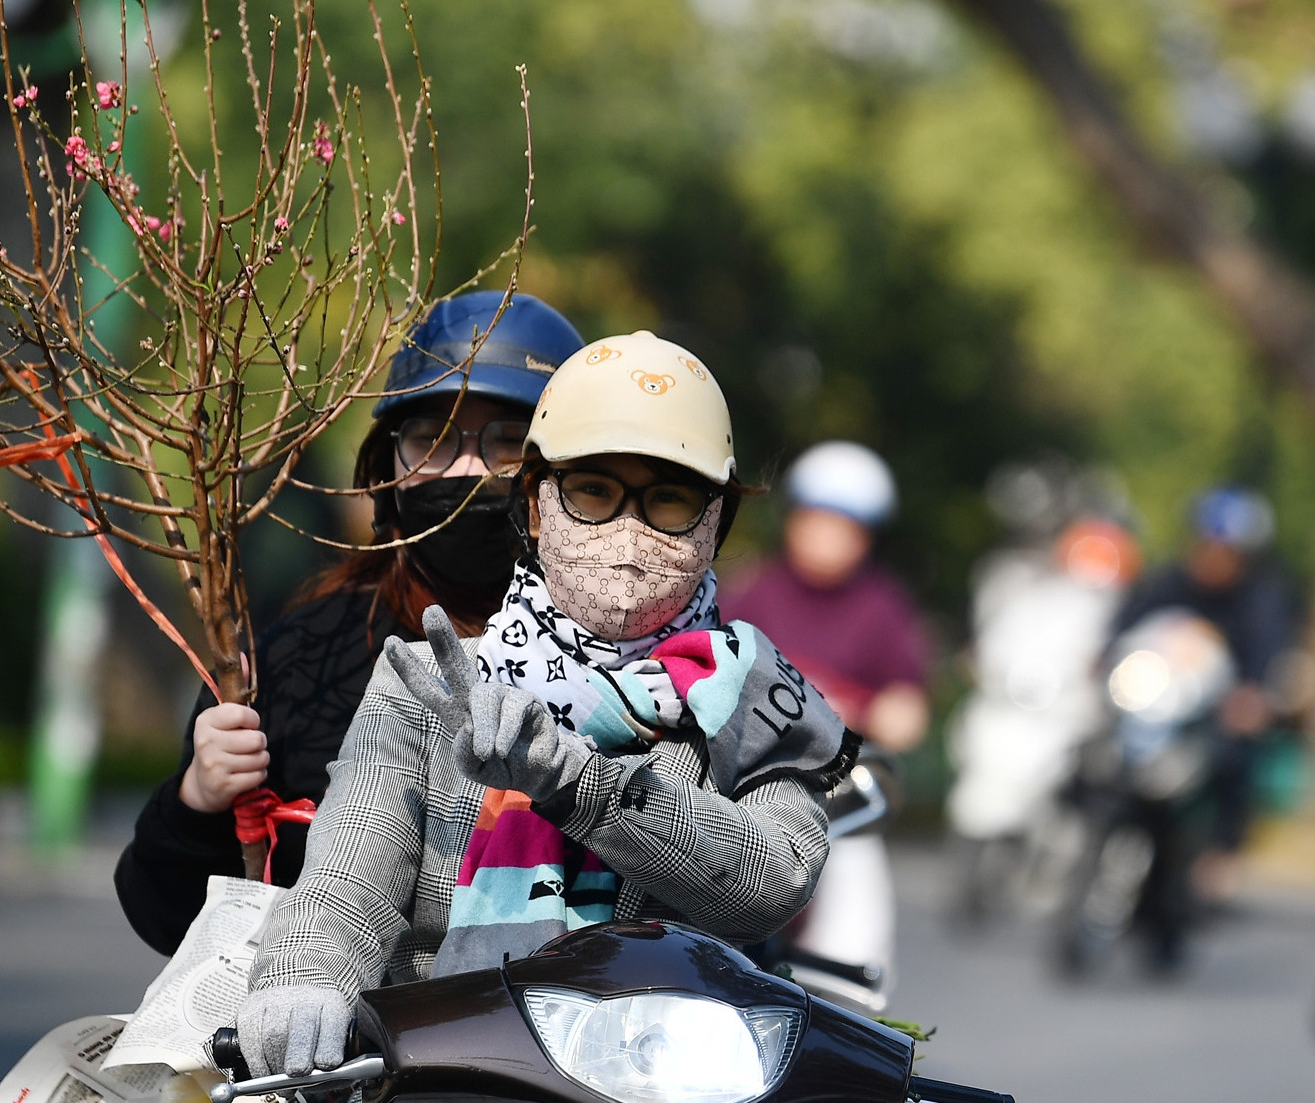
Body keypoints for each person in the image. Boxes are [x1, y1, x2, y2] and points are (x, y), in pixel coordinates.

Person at [236, 331, 856, 1077]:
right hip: (449, 1072)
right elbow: (347, 878)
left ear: (714, 523)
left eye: (668, 499)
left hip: (681, 1073)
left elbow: (772, 880)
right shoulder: (426, 682)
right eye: (594, 492)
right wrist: (301, 978)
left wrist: (574, 782)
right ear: (535, 506)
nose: (629, 532)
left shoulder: (753, 694)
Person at [114, 291, 585, 955]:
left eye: (509, 445)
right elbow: (168, 918)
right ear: (385, 467)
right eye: (433, 440)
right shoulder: (302, 658)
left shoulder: (635, 666)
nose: (469, 469)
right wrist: (197, 801)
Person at [722, 440, 935, 989]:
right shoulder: (754, 592)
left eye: (848, 527)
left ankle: (842, 1013)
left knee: (854, 943)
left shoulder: (880, 607)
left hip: (839, 801)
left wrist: (873, 709)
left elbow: (910, 712)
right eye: (819, 520)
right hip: (742, 790)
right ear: (794, 519)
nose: (830, 538)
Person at [1108, 485, 1299, 901]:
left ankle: (1220, 851)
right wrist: (1100, 658)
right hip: (1155, 704)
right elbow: (1124, 624)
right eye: (1207, 545)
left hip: (1209, 713)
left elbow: (1267, 655)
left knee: (1235, 760)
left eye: (1226, 551)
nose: (1213, 558)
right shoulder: (1169, 580)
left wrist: (1253, 697)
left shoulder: (1261, 598)